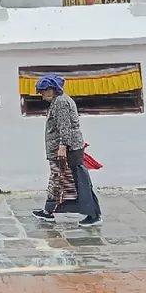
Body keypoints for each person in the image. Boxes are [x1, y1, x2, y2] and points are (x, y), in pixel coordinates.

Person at [30, 75, 101, 226]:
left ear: (51, 89)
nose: (42, 96)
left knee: (78, 182)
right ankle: (49, 211)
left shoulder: (61, 102)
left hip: (68, 150)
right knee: (59, 181)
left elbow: (65, 126)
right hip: (65, 150)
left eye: (43, 92)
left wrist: (63, 147)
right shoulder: (58, 101)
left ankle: (93, 215)